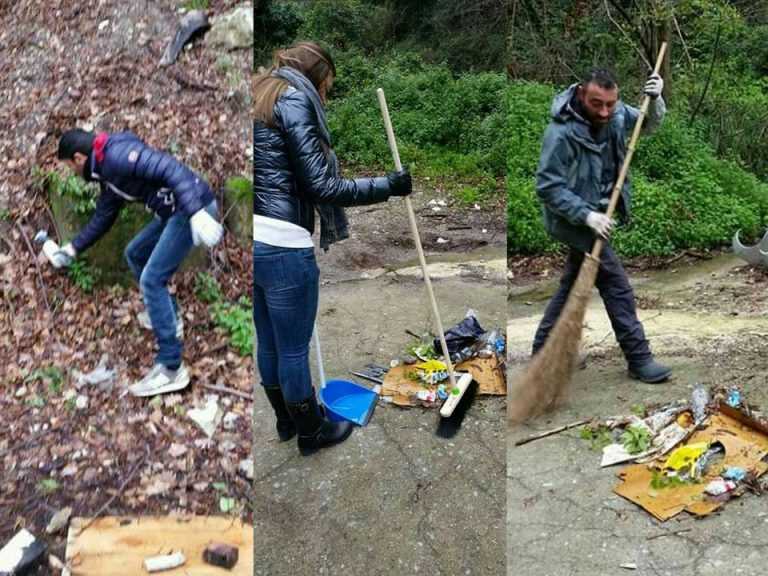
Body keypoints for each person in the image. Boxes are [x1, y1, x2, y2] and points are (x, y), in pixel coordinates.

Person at [252, 42, 412, 455]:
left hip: (251, 238)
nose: (326, 95)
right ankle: (311, 432)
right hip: (284, 244)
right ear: (318, 78)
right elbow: (321, 185)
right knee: (291, 349)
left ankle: (286, 422)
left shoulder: (259, 93)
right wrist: (388, 187)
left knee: (269, 342)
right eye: (328, 87)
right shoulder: (294, 101)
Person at [51, 129, 223, 396]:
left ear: (78, 158)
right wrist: (72, 248)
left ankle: (170, 367)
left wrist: (196, 213)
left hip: (191, 209)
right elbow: (104, 216)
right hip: (174, 212)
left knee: (152, 280)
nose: (70, 172)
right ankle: (171, 318)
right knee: (135, 253)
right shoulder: (106, 170)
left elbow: (170, 167)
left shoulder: (117, 157)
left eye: (69, 167)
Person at [532, 67, 672, 383]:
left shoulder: (617, 114)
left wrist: (656, 97)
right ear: (582, 94)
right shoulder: (562, 133)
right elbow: (547, 187)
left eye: (610, 103)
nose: (605, 111)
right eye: (597, 104)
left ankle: (543, 356)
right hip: (575, 220)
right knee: (617, 287)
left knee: (571, 287)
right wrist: (586, 215)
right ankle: (639, 359)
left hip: (601, 216)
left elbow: (646, 124)